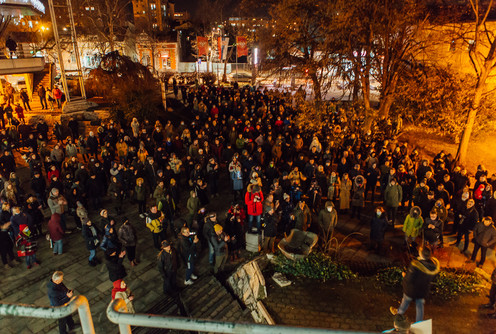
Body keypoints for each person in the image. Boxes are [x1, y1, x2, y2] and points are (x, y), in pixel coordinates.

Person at [390, 246, 440, 323]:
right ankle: (419, 323)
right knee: (420, 306)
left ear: (421, 254)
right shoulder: (434, 266)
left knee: (405, 301)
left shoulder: (416, 265)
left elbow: (409, 279)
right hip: (423, 290)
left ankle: (399, 314)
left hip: (411, 290)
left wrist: (404, 276)